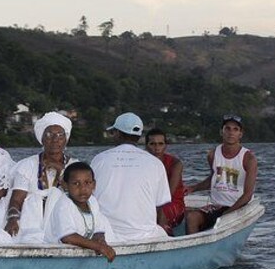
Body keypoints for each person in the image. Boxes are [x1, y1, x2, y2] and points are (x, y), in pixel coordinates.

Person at [90, 112, 170, 242]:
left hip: (106, 235)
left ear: (118, 133)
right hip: (145, 235)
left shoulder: (99, 160)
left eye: (113, 132)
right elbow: (159, 204)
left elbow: (89, 198)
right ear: (138, 137)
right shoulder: (155, 163)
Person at [4, 112, 76, 242]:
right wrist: (12, 219)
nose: (55, 139)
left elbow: (78, 198)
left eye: (60, 135)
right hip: (30, 222)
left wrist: (61, 171)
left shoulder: (75, 166)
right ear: (41, 139)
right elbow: (17, 199)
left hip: (64, 221)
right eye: (49, 135)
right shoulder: (27, 165)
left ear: (66, 139)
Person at [185, 115, 258, 234]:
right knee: (191, 217)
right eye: (227, 129)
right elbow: (215, 179)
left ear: (240, 134)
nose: (231, 133)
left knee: (222, 222)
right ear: (221, 132)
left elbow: (248, 194)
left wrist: (227, 214)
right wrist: (192, 188)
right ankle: (194, 249)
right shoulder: (213, 155)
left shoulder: (248, 159)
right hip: (216, 206)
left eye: (235, 129)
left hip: (237, 206)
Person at [44, 162, 116, 261]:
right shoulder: (63, 205)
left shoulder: (92, 201)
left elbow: (98, 229)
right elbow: (68, 237)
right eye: (76, 184)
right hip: (56, 257)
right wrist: (98, 247)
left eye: (87, 183)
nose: (82, 189)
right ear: (65, 185)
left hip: (76, 256)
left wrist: (101, 241)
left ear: (94, 185)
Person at [145, 128, 185, 235]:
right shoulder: (142, 164)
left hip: (172, 202)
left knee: (161, 212)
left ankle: (166, 239)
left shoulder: (175, 164)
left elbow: (168, 194)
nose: (157, 148)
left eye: (160, 144)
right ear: (146, 146)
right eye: (152, 144)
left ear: (165, 146)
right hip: (149, 202)